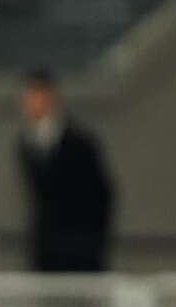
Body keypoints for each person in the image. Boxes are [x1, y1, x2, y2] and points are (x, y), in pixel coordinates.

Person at [18, 68, 113, 271]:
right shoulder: (26, 144)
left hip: (79, 251)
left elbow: (101, 195)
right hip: (46, 252)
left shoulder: (80, 142)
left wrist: (91, 243)